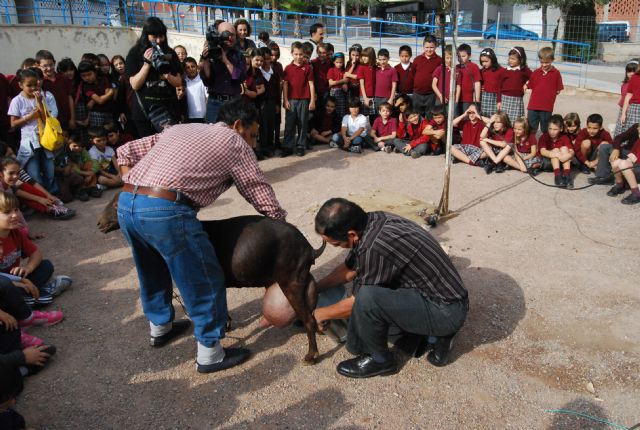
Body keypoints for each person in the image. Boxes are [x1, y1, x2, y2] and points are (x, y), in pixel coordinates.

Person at [116, 98, 286, 373]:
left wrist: (134, 184)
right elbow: (256, 188)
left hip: (127, 203)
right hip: (167, 209)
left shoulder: (179, 129)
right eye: (253, 135)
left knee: (151, 267)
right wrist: (281, 226)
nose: (253, 144)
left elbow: (125, 151)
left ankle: (160, 327)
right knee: (203, 277)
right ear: (238, 125)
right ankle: (210, 352)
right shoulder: (234, 142)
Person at [311, 198, 468, 378]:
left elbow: (359, 302)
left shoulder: (374, 246)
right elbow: (350, 267)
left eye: (337, 244)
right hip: (444, 299)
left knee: (368, 299)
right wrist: (316, 288)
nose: (338, 247)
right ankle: (435, 336)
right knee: (373, 295)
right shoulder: (372, 220)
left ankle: (379, 360)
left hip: (445, 312)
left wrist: (319, 314)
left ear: (352, 234)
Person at [0, 191, 72, 304]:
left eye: (16, 209)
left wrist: (28, 268)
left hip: (18, 279)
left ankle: (32, 296)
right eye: (7, 212)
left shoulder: (15, 232)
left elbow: (36, 253)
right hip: (5, 285)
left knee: (46, 266)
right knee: (8, 290)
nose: (14, 215)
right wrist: (17, 283)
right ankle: (39, 295)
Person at [125, 17, 182, 137]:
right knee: (149, 150)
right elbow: (135, 85)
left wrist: (167, 74)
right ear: (146, 35)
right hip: (144, 113)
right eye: (154, 37)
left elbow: (178, 82)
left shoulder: (170, 53)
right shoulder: (135, 53)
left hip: (168, 111)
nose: (158, 40)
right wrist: (147, 64)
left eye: (161, 36)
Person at [7, 68, 59, 194]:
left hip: (45, 138)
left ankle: (53, 195)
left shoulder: (40, 97)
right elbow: (13, 123)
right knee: (34, 172)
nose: (33, 88)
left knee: (49, 169)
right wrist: (29, 117)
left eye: (35, 84)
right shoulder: (17, 101)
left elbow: (46, 118)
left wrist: (40, 102)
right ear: (20, 85)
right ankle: (42, 197)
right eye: (28, 85)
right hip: (29, 141)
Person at [201, 21, 247, 124]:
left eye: (233, 35)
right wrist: (206, 59)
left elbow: (240, 78)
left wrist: (225, 60)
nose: (230, 38)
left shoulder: (239, 55)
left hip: (233, 102)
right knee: (211, 134)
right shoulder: (211, 53)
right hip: (214, 102)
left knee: (234, 133)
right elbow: (206, 80)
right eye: (226, 34)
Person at [282, 41, 316, 157]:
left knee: (302, 123)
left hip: (304, 100)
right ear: (292, 54)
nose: (299, 57)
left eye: (301, 54)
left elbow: (311, 84)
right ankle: (287, 146)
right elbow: (285, 85)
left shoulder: (307, 68)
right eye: (296, 54)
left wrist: (312, 100)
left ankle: (301, 145)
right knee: (289, 124)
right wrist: (285, 100)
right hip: (291, 100)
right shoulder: (288, 68)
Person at [525, 47, 564, 135]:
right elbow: (530, 85)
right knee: (531, 129)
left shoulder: (556, 73)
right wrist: (525, 85)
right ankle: (531, 147)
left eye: (547, 62)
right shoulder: (535, 72)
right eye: (542, 62)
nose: (544, 65)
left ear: (552, 60)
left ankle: (544, 147)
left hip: (546, 108)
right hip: (533, 107)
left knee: (546, 130)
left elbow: (558, 90)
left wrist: (550, 95)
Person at [36, 49, 76, 130]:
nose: (49, 68)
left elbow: (70, 98)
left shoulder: (63, 78)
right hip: (50, 122)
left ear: (54, 62)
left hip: (66, 119)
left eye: (51, 65)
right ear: (38, 65)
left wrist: (72, 118)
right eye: (45, 66)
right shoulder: (40, 83)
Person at [604, 123, 640, 204]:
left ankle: (636, 193)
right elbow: (633, 154)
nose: (638, 131)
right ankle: (620, 185)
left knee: (623, 164)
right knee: (615, 162)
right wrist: (628, 160)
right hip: (637, 165)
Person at [538, 114, 574, 188]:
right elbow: (542, 151)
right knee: (556, 150)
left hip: (560, 162)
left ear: (561, 129)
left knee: (564, 148)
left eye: (555, 129)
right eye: (550, 128)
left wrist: (568, 155)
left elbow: (571, 151)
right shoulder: (544, 137)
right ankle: (557, 176)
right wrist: (556, 154)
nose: (552, 132)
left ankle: (567, 175)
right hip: (546, 163)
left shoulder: (564, 137)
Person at [410, 35, 441, 118]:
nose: (429, 49)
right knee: (416, 116)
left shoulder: (439, 60)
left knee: (430, 116)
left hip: (431, 94)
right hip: (417, 94)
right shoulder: (417, 59)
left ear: (436, 46)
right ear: (423, 46)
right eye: (427, 47)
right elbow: (413, 73)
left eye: (431, 47)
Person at [77, 60, 115, 128]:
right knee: (98, 136)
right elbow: (100, 101)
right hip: (96, 115)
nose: (87, 78)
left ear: (95, 72)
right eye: (83, 76)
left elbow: (109, 98)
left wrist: (94, 100)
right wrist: (111, 92)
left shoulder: (104, 79)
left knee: (110, 135)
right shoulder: (86, 87)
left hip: (109, 112)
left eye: (89, 74)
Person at [499, 46, 531, 125]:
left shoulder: (524, 70)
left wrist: (527, 84)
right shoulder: (505, 71)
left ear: (521, 60)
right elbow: (499, 86)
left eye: (513, 59)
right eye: (510, 58)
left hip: (516, 101)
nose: (510, 61)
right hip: (505, 100)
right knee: (504, 122)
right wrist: (499, 101)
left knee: (516, 122)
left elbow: (534, 78)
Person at [614, 59, 639, 137]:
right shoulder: (624, 84)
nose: (631, 74)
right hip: (623, 108)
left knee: (628, 129)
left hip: (631, 110)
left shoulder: (635, 83)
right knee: (620, 126)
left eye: (633, 71)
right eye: (629, 71)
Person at [455, 43, 481, 116]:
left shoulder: (474, 67)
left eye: (463, 56)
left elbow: (477, 84)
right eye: (459, 56)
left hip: (468, 100)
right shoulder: (456, 67)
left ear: (469, 56)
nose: (460, 58)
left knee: (466, 118)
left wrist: (476, 100)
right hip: (456, 99)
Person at [478, 48, 503, 117]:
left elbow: (501, 86)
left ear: (493, 59)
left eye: (486, 61)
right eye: (482, 61)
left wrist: (499, 101)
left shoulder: (501, 71)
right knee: (483, 116)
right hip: (484, 97)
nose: (484, 63)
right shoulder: (481, 71)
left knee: (494, 117)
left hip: (495, 98)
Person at [183, 57, 207, 123]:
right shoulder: (184, 82)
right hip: (188, 117)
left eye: (193, 66)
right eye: (188, 67)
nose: (191, 69)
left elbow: (207, 97)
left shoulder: (202, 81)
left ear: (197, 67)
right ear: (185, 70)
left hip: (201, 116)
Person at [373, 49, 398, 114]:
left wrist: (391, 98)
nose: (382, 62)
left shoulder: (392, 70)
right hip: (377, 97)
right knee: (378, 115)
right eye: (380, 59)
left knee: (387, 115)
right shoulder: (376, 69)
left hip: (387, 98)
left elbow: (394, 84)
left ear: (388, 58)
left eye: (384, 59)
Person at [328, 52, 348, 118]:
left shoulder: (344, 71)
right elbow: (331, 83)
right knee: (333, 110)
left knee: (342, 111)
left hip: (342, 93)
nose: (339, 64)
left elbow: (346, 82)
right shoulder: (331, 70)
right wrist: (342, 81)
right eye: (337, 62)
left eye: (341, 62)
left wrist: (345, 83)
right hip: (334, 92)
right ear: (334, 62)